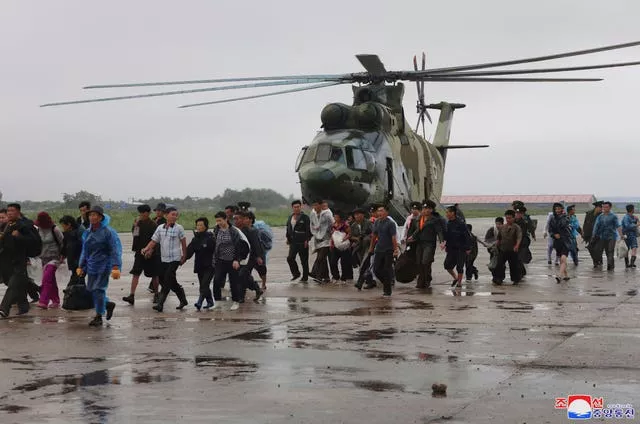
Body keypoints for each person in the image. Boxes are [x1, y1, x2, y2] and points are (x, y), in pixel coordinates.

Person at [76, 206, 120, 326]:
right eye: (90, 215)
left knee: (98, 289)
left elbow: (114, 249)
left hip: (104, 265)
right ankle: (107, 304)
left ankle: (99, 316)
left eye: (95, 215)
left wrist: (116, 266)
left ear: (100, 217)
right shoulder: (88, 232)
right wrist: (81, 265)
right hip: (91, 265)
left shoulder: (108, 232)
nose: (92, 217)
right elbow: (85, 250)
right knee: (91, 290)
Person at [141, 207, 189, 312]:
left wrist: (184, 256)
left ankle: (160, 304)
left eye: (176, 215)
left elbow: (183, 243)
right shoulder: (160, 228)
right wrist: (146, 249)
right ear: (166, 215)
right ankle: (183, 299)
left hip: (175, 259)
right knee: (167, 280)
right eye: (172, 214)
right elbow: (153, 241)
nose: (175, 216)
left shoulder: (179, 228)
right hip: (164, 259)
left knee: (167, 280)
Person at [0, 203, 39, 318]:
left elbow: (33, 240)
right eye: (8, 211)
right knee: (15, 283)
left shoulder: (24, 226)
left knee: (13, 284)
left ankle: (4, 309)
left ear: (18, 212)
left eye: (12, 211)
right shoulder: (7, 225)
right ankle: (24, 306)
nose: (10, 213)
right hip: (6, 261)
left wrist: (19, 236)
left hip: (19, 260)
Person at [211, 211, 250, 310]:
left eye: (220, 220)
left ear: (226, 219)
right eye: (217, 221)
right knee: (217, 280)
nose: (218, 223)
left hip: (232, 260)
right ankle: (217, 301)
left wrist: (237, 260)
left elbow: (238, 246)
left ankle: (236, 301)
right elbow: (214, 245)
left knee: (234, 282)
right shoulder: (216, 230)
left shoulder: (233, 231)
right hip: (220, 260)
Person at [123, 205, 160, 306]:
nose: (141, 215)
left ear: (147, 213)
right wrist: (135, 226)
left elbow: (156, 239)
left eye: (142, 213)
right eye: (140, 213)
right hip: (139, 252)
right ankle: (132, 295)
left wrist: (151, 250)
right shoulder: (138, 223)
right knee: (136, 273)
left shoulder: (154, 225)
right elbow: (135, 236)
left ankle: (156, 294)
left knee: (154, 274)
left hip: (151, 253)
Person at [407, 200, 443, 289]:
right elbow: (417, 230)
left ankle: (426, 280)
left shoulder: (435, 220)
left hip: (429, 244)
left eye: (427, 208)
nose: (425, 210)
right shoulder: (419, 219)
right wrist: (411, 237)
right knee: (419, 262)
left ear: (431, 210)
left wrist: (442, 241)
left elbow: (439, 231)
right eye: (424, 208)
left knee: (426, 261)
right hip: (420, 243)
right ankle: (421, 280)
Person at [35, 212, 64, 309]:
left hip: (55, 258)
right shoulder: (38, 229)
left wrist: (63, 256)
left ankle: (43, 301)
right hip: (43, 258)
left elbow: (63, 243)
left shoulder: (55, 229)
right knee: (51, 279)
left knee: (46, 279)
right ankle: (56, 301)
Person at [234, 211, 264, 302]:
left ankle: (243, 296)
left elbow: (256, 244)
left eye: (238, 219)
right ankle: (255, 289)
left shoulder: (251, 231)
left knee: (242, 274)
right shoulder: (235, 230)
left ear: (243, 219)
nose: (235, 221)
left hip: (250, 258)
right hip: (240, 257)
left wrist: (259, 256)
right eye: (234, 219)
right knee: (244, 276)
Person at [369, 204, 399, 296]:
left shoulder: (390, 223)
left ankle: (387, 290)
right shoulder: (377, 222)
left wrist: (395, 249)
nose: (379, 213)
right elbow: (374, 236)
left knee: (386, 269)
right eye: (378, 211)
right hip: (379, 249)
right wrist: (371, 248)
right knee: (376, 269)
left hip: (388, 250)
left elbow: (393, 237)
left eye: (381, 211)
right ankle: (387, 283)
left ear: (386, 212)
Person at [185, 217, 215, 310]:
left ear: (206, 226)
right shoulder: (195, 239)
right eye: (197, 225)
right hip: (199, 265)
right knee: (203, 285)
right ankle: (210, 301)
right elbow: (189, 252)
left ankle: (199, 302)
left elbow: (216, 251)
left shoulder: (211, 238)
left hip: (210, 266)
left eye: (201, 225)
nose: (199, 227)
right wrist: (182, 260)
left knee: (204, 285)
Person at [441, 206, 471, 288]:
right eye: (446, 212)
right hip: (451, 248)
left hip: (461, 248)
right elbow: (446, 235)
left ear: (453, 213)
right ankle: (456, 278)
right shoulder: (448, 223)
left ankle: (459, 283)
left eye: (447, 212)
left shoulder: (460, 223)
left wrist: (468, 248)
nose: (446, 214)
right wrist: (443, 243)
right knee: (447, 265)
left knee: (459, 266)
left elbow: (467, 236)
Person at [494, 210, 522, 285]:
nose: (508, 220)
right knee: (499, 264)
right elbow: (499, 237)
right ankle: (499, 278)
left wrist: (517, 245)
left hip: (512, 250)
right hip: (503, 249)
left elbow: (519, 237)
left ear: (513, 218)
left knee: (513, 265)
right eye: (507, 218)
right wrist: (497, 242)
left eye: (510, 218)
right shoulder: (503, 227)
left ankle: (515, 279)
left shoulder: (516, 227)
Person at [592, 201, 623, 271]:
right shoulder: (600, 216)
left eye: (606, 207)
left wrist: (621, 235)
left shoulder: (613, 216)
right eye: (603, 207)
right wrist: (594, 235)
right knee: (602, 251)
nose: (605, 208)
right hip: (602, 237)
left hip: (612, 237)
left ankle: (610, 266)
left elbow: (618, 226)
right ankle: (604, 263)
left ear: (610, 207)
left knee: (610, 251)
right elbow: (596, 226)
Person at [286, 200, 311, 283]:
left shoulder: (305, 217)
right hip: (293, 242)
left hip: (302, 242)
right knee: (290, 258)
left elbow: (308, 230)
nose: (296, 208)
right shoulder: (290, 217)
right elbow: (288, 228)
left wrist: (307, 240)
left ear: (301, 207)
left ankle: (305, 277)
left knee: (304, 260)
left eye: (298, 207)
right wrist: (288, 238)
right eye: (295, 207)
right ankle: (296, 273)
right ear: (292, 208)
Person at [310, 199, 333, 284]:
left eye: (316, 205)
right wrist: (314, 232)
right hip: (318, 239)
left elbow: (332, 224)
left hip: (327, 239)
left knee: (320, 258)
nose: (315, 207)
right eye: (314, 205)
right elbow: (311, 225)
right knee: (322, 260)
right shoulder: (313, 214)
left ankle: (318, 276)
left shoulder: (327, 214)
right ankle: (326, 277)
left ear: (320, 205)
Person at [548, 203, 572, 282]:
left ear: (562, 209)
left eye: (559, 209)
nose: (557, 210)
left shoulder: (566, 217)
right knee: (562, 260)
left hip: (566, 241)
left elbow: (564, 224)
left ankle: (560, 276)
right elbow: (550, 230)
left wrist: (562, 216)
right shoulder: (552, 219)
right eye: (556, 209)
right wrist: (554, 235)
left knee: (563, 258)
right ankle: (566, 275)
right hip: (557, 242)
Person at [59, 215, 85, 287]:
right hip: (73, 262)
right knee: (79, 282)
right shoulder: (67, 233)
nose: (63, 227)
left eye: (63, 225)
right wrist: (63, 255)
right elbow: (65, 245)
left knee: (74, 282)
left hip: (79, 262)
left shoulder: (80, 232)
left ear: (69, 224)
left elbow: (84, 247)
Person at [329, 210, 353, 284]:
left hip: (344, 247)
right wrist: (331, 243)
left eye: (337, 217)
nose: (335, 218)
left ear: (340, 217)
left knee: (344, 263)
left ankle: (343, 278)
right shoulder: (333, 225)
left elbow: (349, 233)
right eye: (334, 216)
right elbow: (332, 235)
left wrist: (344, 239)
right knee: (333, 262)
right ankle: (336, 276)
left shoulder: (345, 225)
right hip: (335, 246)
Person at [583, 201, 603, 268]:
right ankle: (595, 261)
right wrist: (584, 235)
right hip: (590, 235)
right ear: (596, 207)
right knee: (591, 248)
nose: (601, 209)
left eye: (602, 208)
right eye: (600, 207)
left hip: (599, 235)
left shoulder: (602, 215)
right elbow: (585, 224)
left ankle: (599, 260)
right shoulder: (589, 214)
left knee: (598, 249)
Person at [621, 204, 638, 268]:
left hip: (632, 235)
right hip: (627, 235)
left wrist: (637, 220)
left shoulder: (633, 217)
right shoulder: (626, 217)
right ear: (632, 209)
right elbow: (628, 226)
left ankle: (631, 263)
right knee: (628, 249)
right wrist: (637, 224)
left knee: (633, 248)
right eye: (634, 209)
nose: (634, 210)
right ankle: (628, 264)